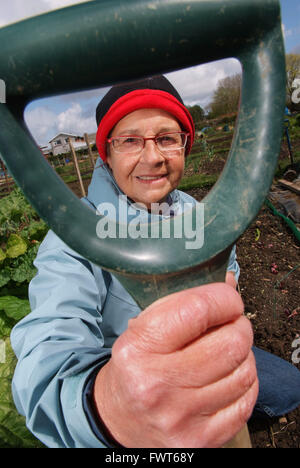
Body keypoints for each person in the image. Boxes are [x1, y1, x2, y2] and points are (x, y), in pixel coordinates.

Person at [11, 76, 300, 448]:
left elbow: (229, 273)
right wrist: (109, 409)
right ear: (107, 153)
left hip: (202, 354)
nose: (153, 157)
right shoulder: (75, 237)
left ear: (185, 145)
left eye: (167, 138)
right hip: (135, 386)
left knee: (288, 390)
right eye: (130, 140)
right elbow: (46, 359)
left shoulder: (197, 213)